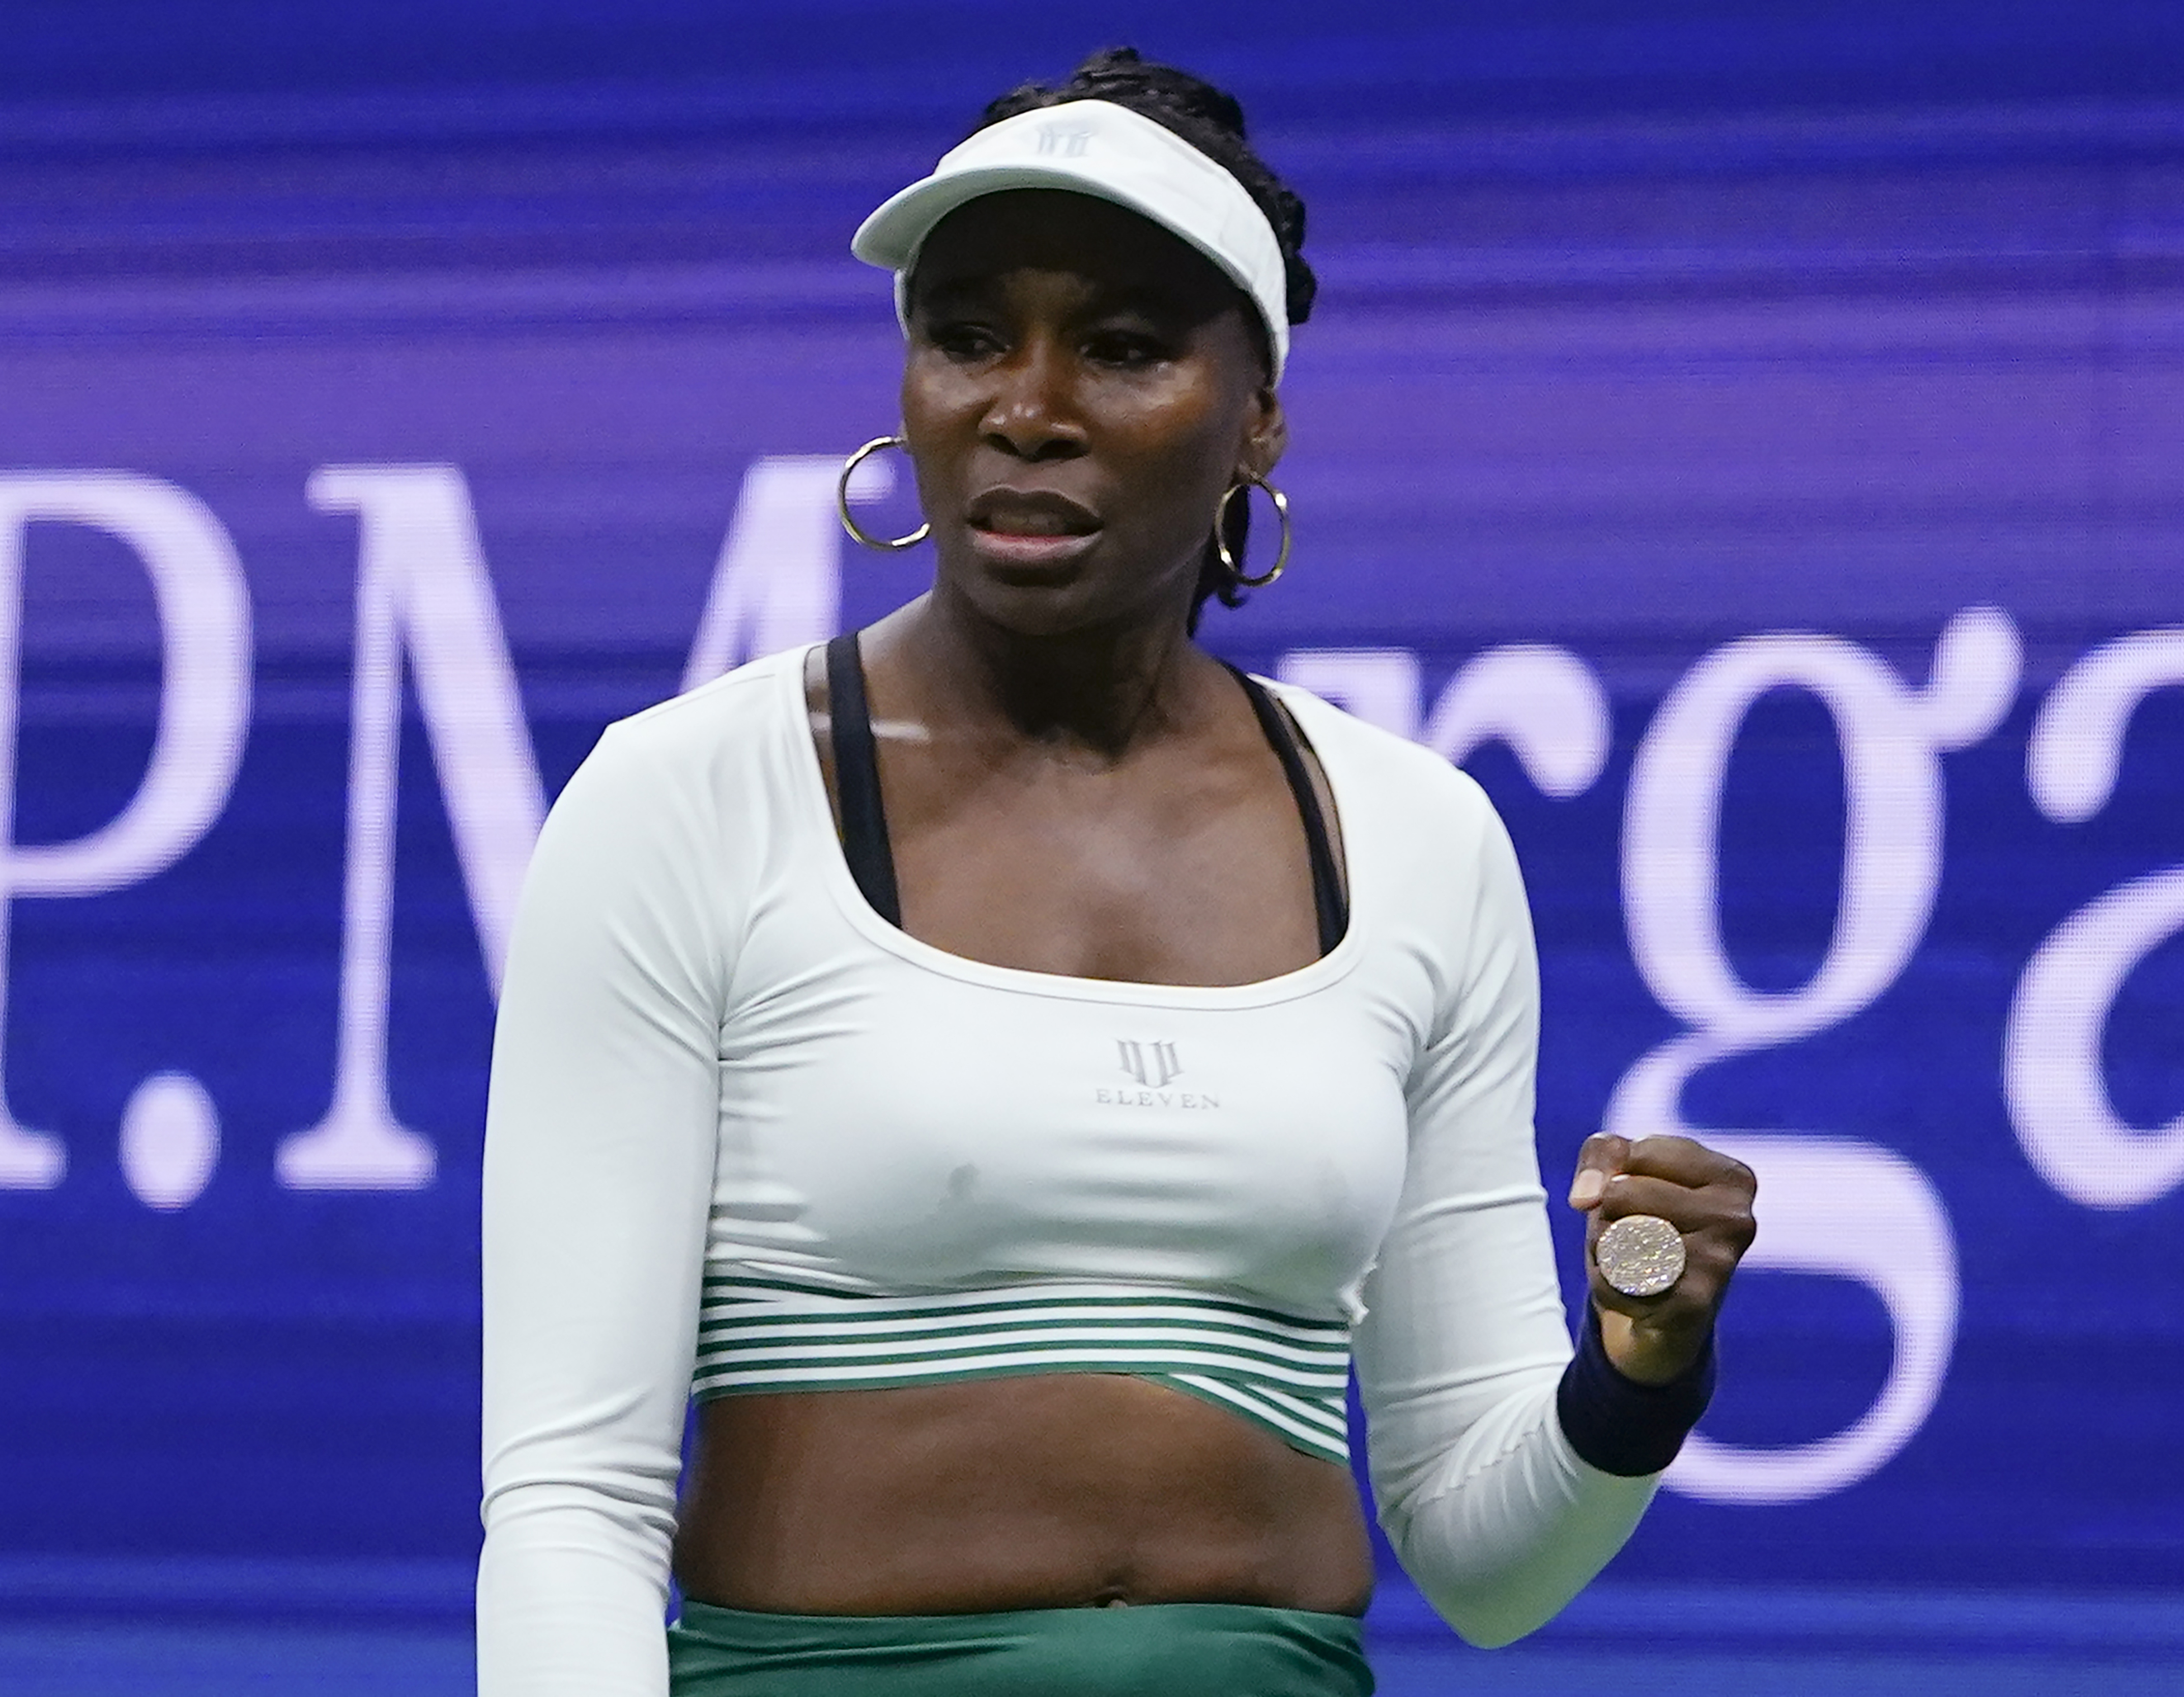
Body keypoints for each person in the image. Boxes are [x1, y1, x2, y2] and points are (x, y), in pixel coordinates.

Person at [477, 47, 1758, 1697]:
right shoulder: (687, 798)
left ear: (1261, 413)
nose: (1025, 408)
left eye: (1126, 346)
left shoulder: (1417, 837)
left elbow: (1487, 1557)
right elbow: (571, 1506)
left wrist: (1641, 1375)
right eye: (966, 337)